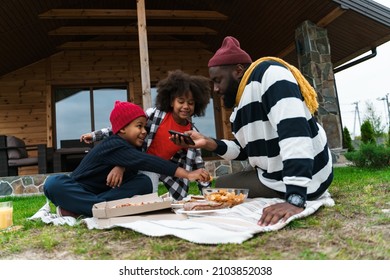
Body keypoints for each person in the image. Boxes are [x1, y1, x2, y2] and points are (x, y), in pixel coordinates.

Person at [171, 36, 333, 226]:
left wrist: (295, 198)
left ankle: (294, 190)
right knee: (222, 186)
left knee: (226, 191)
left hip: (311, 177)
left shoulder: (271, 73)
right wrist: (208, 142)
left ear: (238, 71)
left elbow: (295, 132)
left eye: (217, 80)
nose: (215, 89)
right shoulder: (239, 109)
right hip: (274, 176)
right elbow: (244, 150)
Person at [44, 101, 210, 218]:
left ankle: (81, 210)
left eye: (145, 126)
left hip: (104, 194)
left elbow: (135, 159)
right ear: (122, 129)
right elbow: (148, 161)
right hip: (79, 190)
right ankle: (96, 208)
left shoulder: (132, 148)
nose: (144, 131)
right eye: (139, 126)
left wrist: (121, 166)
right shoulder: (114, 143)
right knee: (53, 183)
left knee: (143, 182)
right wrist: (187, 174)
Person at [80, 70, 212, 200]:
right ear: (172, 102)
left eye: (191, 103)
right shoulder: (156, 115)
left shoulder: (192, 133)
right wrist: (96, 135)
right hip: (136, 161)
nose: (186, 106)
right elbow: (126, 125)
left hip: (164, 168)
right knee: (135, 191)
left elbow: (197, 163)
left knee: (150, 194)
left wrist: (208, 192)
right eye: (181, 101)